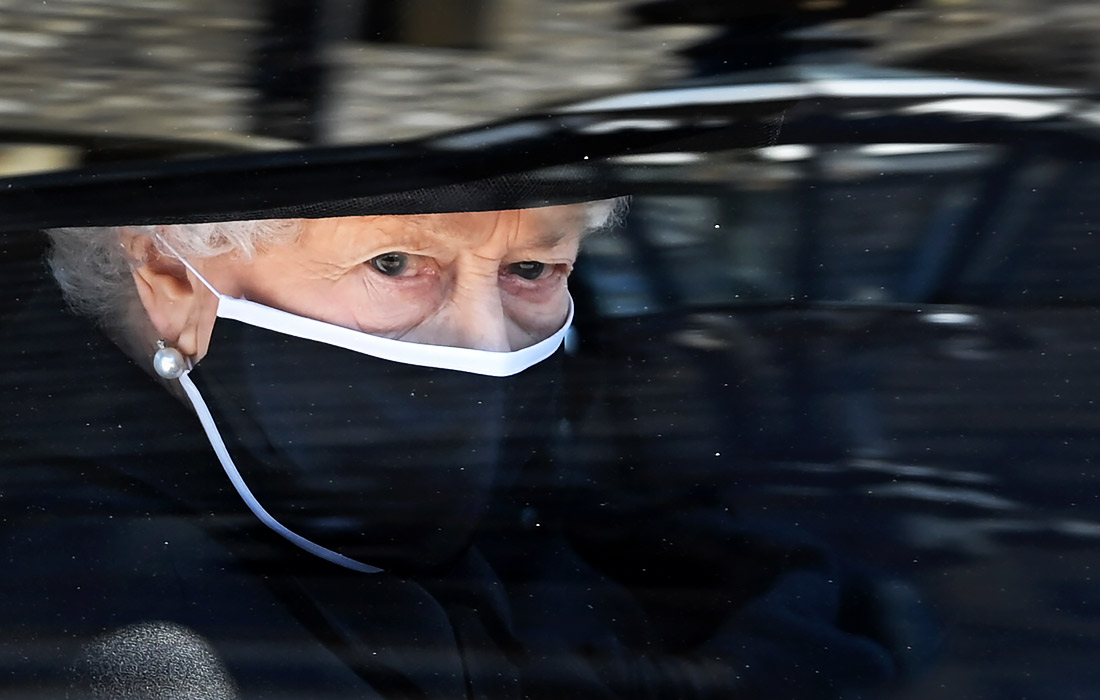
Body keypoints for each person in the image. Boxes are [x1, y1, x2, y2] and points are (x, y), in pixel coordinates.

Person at [0, 202, 915, 699]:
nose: (486, 345)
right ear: (170, 276)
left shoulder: (524, 506)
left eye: (532, 269)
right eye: (396, 263)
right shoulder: (96, 623)